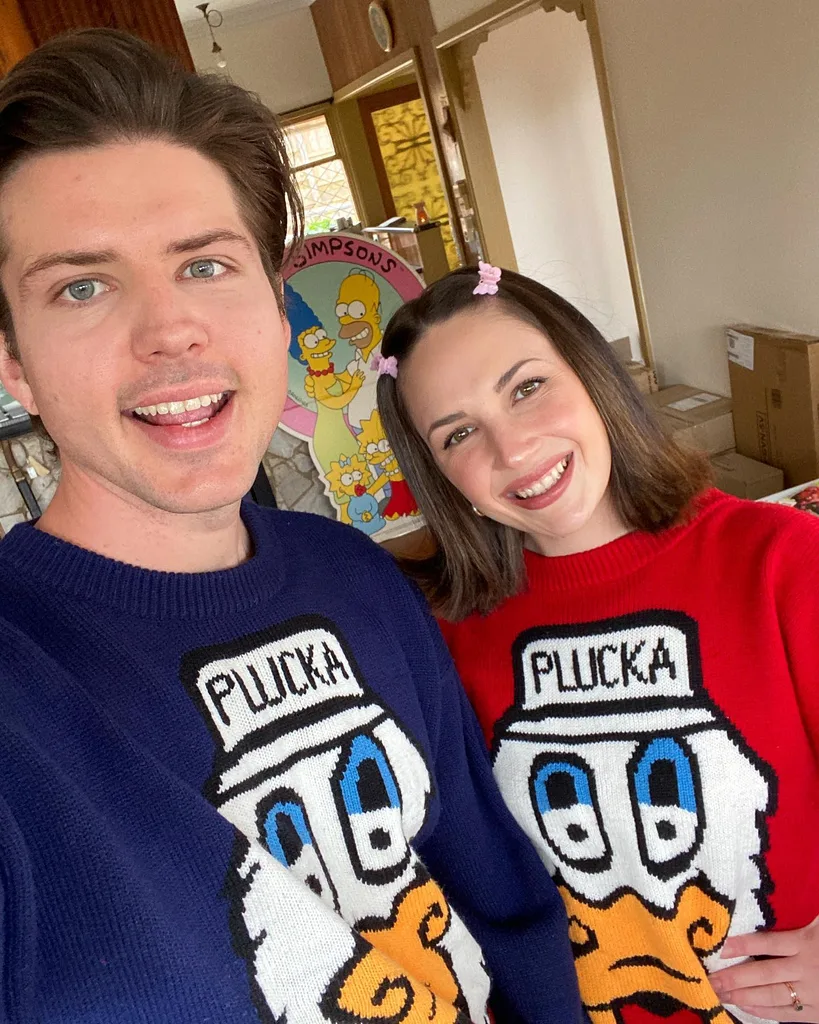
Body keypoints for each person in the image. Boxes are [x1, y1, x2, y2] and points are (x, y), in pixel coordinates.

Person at [0, 34, 585, 1024]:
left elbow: (510, 909)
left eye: (206, 265)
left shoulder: (356, 578)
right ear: (13, 362)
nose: (170, 330)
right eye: (83, 286)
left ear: (277, 310)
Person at [377, 263, 819, 1024]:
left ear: (591, 373)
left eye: (525, 388)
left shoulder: (779, 559)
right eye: (457, 434)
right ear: (439, 474)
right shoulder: (441, 634)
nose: (512, 450)